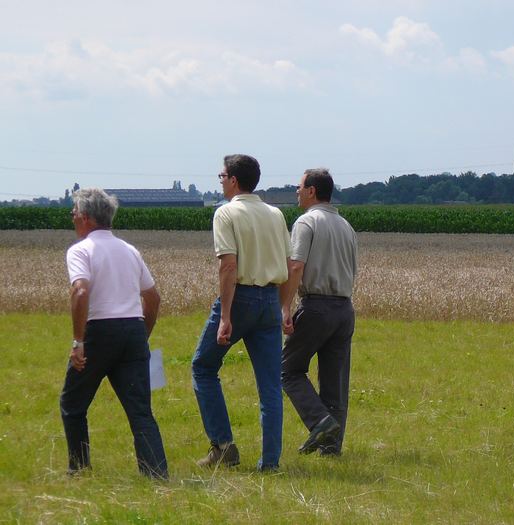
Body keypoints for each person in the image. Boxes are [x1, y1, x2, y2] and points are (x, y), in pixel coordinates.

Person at [192, 154, 291, 472]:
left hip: (241, 298)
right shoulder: (275, 214)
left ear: (234, 180)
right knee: (270, 387)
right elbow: (290, 265)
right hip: (270, 301)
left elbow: (228, 265)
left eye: (221, 175)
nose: (220, 180)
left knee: (203, 368)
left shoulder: (225, 214)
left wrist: (225, 316)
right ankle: (270, 463)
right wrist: (284, 305)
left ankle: (223, 446)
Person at [59, 188, 168, 479]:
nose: (72, 218)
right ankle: (156, 474)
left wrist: (78, 341)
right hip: (133, 328)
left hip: (99, 331)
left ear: (85, 217)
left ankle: (79, 469)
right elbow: (153, 299)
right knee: (141, 411)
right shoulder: (129, 250)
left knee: (73, 403)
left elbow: (80, 291)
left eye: (73, 213)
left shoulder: (80, 250)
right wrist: (140, 337)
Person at [280, 168, 358, 456]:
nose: (296, 192)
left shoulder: (306, 222)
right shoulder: (346, 226)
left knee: (286, 370)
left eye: (299, 187)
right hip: (344, 308)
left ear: (312, 190)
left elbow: (296, 266)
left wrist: (285, 307)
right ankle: (331, 448)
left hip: (316, 306)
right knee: (335, 382)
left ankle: (320, 422)